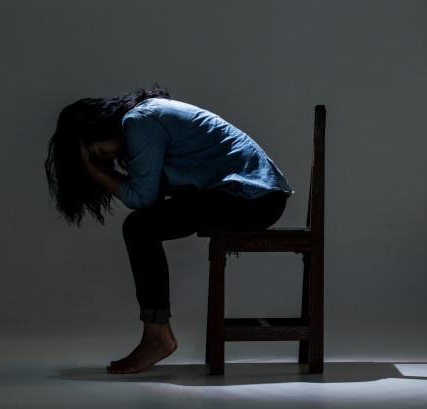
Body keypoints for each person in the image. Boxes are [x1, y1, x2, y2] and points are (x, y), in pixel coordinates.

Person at [44, 84, 294, 374]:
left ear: (97, 129)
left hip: (253, 199)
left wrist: (94, 171)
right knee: (142, 226)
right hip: (254, 197)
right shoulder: (144, 117)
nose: (105, 160)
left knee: (139, 227)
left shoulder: (139, 122)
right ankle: (156, 334)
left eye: (98, 152)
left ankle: (157, 336)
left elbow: (143, 198)